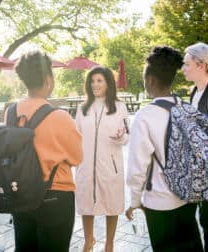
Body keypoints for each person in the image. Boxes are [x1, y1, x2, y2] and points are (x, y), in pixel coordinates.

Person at [126, 46, 204, 252]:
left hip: (159, 203)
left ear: (150, 79)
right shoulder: (188, 109)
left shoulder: (145, 116)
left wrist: (134, 201)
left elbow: (137, 166)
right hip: (188, 197)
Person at [11, 51, 83, 252]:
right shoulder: (60, 117)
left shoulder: (11, 112)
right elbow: (77, 158)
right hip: (55, 197)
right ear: (48, 80)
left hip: (21, 194)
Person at [75, 66, 129, 252]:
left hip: (110, 166)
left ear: (108, 83)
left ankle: (109, 243)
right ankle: (89, 240)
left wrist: (121, 137)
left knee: (111, 204)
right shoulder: (82, 108)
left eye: (99, 81)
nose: (95, 85)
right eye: (92, 81)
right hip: (86, 165)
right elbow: (76, 136)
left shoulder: (120, 107)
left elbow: (127, 136)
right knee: (85, 204)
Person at [182, 42, 208, 252]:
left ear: (201, 65)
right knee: (198, 217)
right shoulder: (194, 92)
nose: (183, 68)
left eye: (187, 64)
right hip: (196, 167)